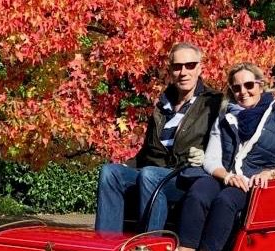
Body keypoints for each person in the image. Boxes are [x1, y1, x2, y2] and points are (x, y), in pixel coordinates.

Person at [171, 62, 275, 251]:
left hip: (254, 186)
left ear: (261, 85)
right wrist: (227, 176)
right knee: (197, 194)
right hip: (226, 177)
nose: (243, 92)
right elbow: (211, 160)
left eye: (249, 85)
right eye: (236, 88)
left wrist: (269, 173)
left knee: (225, 202)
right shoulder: (225, 116)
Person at [94, 43, 222, 233]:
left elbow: (227, 141)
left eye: (190, 65)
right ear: (170, 70)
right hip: (154, 171)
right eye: (177, 66)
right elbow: (147, 151)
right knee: (110, 172)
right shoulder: (163, 105)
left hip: (186, 176)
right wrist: (125, 166)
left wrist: (207, 157)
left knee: (150, 175)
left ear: (200, 68)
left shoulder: (213, 102)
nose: (183, 72)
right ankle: (108, 247)